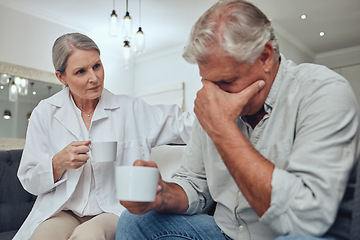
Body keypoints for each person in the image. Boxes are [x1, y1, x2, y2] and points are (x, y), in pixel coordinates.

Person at [116, 0, 360, 239]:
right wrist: (162, 194)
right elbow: (194, 184)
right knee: (134, 221)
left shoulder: (322, 91)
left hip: (287, 233)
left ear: (265, 57)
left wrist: (222, 129)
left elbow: (306, 219)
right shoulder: (212, 101)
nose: (212, 94)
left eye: (226, 82)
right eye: (207, 82)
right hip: (223, 232)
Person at [14, 32, 194, 240]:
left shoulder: (131, 109)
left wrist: (225, 117)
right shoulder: (45, 113)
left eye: (97, 66)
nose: (94, 77)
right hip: (63, 210)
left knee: (88, 236)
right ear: (61, 77)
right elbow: (29, 180)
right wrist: (57, 163)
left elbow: (185, 124)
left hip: (111, 210)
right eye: (81, 71)